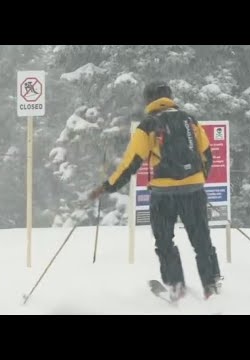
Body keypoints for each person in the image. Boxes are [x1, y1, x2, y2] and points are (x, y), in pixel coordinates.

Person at [89, 81, 222, 301]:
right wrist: (197, 180)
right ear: (169, 97)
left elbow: (131, 162)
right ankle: (211, 285)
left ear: (148, 100)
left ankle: (177, 289)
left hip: (163, 194)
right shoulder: (190, 121)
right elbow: (208, 155)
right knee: (201, 239)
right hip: (194, 191)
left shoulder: (148, 125)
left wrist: (107, 186)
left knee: (164, 241)